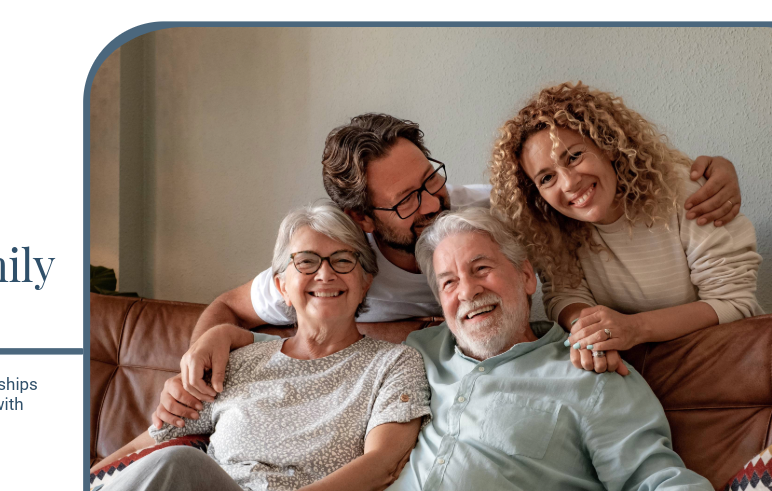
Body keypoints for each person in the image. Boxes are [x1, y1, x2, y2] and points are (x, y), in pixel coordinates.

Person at [137, 207, 719, 491]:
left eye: (482, 269)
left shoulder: (590, 370)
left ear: (526, 276)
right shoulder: (416, 351)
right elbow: (299, 321)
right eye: (447, 282)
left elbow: (659, 477)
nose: (467, 292)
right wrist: (218, 334)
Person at [155, 113, 742, 427]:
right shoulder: (336, 264)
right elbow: (230, 305)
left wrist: (710, 170)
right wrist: (205, 344)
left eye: (430, 178)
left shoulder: (489, 208)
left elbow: (593, 190)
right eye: (407, 201)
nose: (434, 203)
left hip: (535, 378)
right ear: (361, 218)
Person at [89, 202, 431, 491]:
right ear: (283, 285)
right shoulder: (240, 358)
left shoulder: (394, 363)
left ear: (365, 280)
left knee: (178, 464)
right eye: (306, 262)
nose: (325, 273)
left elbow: (382, 464)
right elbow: (153, 440)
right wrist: (90, 480)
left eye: (343, 260)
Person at [490, 82, 762, 376]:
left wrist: (633, 328)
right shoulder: (551, 228)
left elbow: (734, 303)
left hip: (729, 370)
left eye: (573, 156)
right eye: (546, 178)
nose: (568, 183)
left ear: (607, 144)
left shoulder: (683, 194)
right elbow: (564, 296)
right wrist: (592, 332)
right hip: (640, 375)